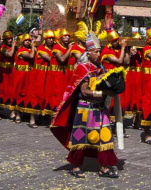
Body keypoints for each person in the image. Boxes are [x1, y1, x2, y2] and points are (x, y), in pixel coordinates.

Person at [50, 32, 120, 179]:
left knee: (105, 137)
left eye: (100, 51)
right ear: (88, 53)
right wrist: (101, 94)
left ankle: (103, 167)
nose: (99, 54)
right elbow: (84, 90)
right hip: (85, 109)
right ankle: (76, 166)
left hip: (100, 109)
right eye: (96, 52)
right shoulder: (82, 68)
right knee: (81, 139)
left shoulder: (101, 68)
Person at [0, 30, 16, 118]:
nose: (10, 40)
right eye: (8, 39)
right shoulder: (3, 48)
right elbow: (9, 54)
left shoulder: (8, 47)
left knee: (11, 92)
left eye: (11, 39)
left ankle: (12, 111)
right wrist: (13, 46)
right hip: (2, 73)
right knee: (0, 92)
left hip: (10, 73)